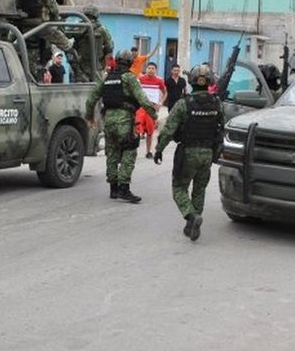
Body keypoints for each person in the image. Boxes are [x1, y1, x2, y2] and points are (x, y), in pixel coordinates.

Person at [153, 64, 225, 241]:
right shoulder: (217, 103)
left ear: (191, 82)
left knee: (179, 188)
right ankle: (193, 224)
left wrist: (159, 150)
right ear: (210, 82)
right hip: (207, 153)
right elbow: (221, 128)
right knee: (199, 190)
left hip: (187, 154)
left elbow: (168, 130)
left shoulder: (183, 104)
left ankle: (191, 216)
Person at [86, 49, 157, 203]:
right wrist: (154, 116)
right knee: (129, 150)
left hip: (108, 121)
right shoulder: (130, 78)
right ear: (131, 62)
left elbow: (91, 99)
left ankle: (113, 189)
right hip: (124, 120)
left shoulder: (106, 78)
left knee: (111, 152)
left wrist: (90, 117)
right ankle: (124, 189)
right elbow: (143, 100)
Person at [13, 0, 76, 74]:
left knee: (29, 49)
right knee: (67, 45)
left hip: (24, 25)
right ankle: (78, 72)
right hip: (41, 25)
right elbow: (53, 7)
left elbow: (16, 5)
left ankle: (35, 72)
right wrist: (57, 22)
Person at [71, 5, 114, 82]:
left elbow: (66, 36)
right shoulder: (102, 29)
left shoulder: (77, 26)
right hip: (96, 67)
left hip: (80, 68)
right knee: (97, 91)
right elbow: (110, 47)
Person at [137, 62, 167, 158]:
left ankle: (148, 151)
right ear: (146, 69)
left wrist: (160, 103)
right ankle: (132, 150)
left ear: (156, 70)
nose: (150, 70)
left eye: (153, 68)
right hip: (141, 107)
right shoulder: (140, 79)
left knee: (150, 131)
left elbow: (165, 92)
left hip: (152, 108)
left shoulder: (159, 81)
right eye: (149, 68)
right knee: (137, 128)